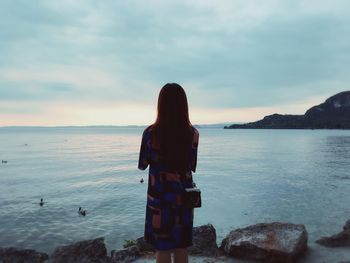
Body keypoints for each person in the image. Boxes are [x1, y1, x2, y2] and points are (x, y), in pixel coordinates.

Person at [138, 83, 199, 263]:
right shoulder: (193, 134)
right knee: (181, 247)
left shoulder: (150, 133)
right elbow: (192, 165)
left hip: (159, 200)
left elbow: (143, 164)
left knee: (162, 249)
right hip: (184, 199)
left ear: (160, 105)